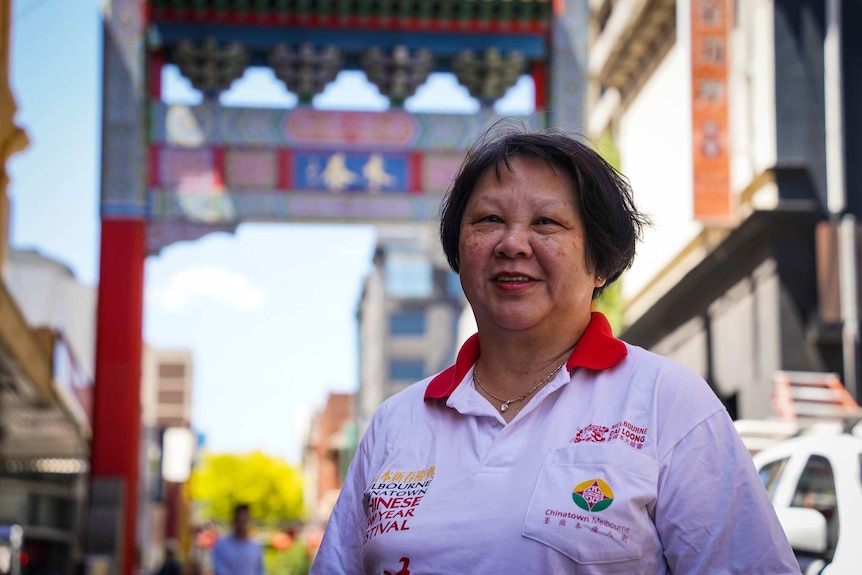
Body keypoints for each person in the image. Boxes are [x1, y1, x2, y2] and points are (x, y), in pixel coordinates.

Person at [310, 125, 801, 574]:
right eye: (489, 219)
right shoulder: (396, 425)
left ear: (601, 263)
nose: (513, 243)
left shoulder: (669, 406)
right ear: (459, 252)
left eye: (546, 222)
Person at [211, 504, 265, 575]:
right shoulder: (222, 545)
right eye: (241, 521)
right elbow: (221, 571)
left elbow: (259, 571)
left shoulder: (256, 546)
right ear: (234, 521)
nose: (243, 525)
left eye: (245, 520)